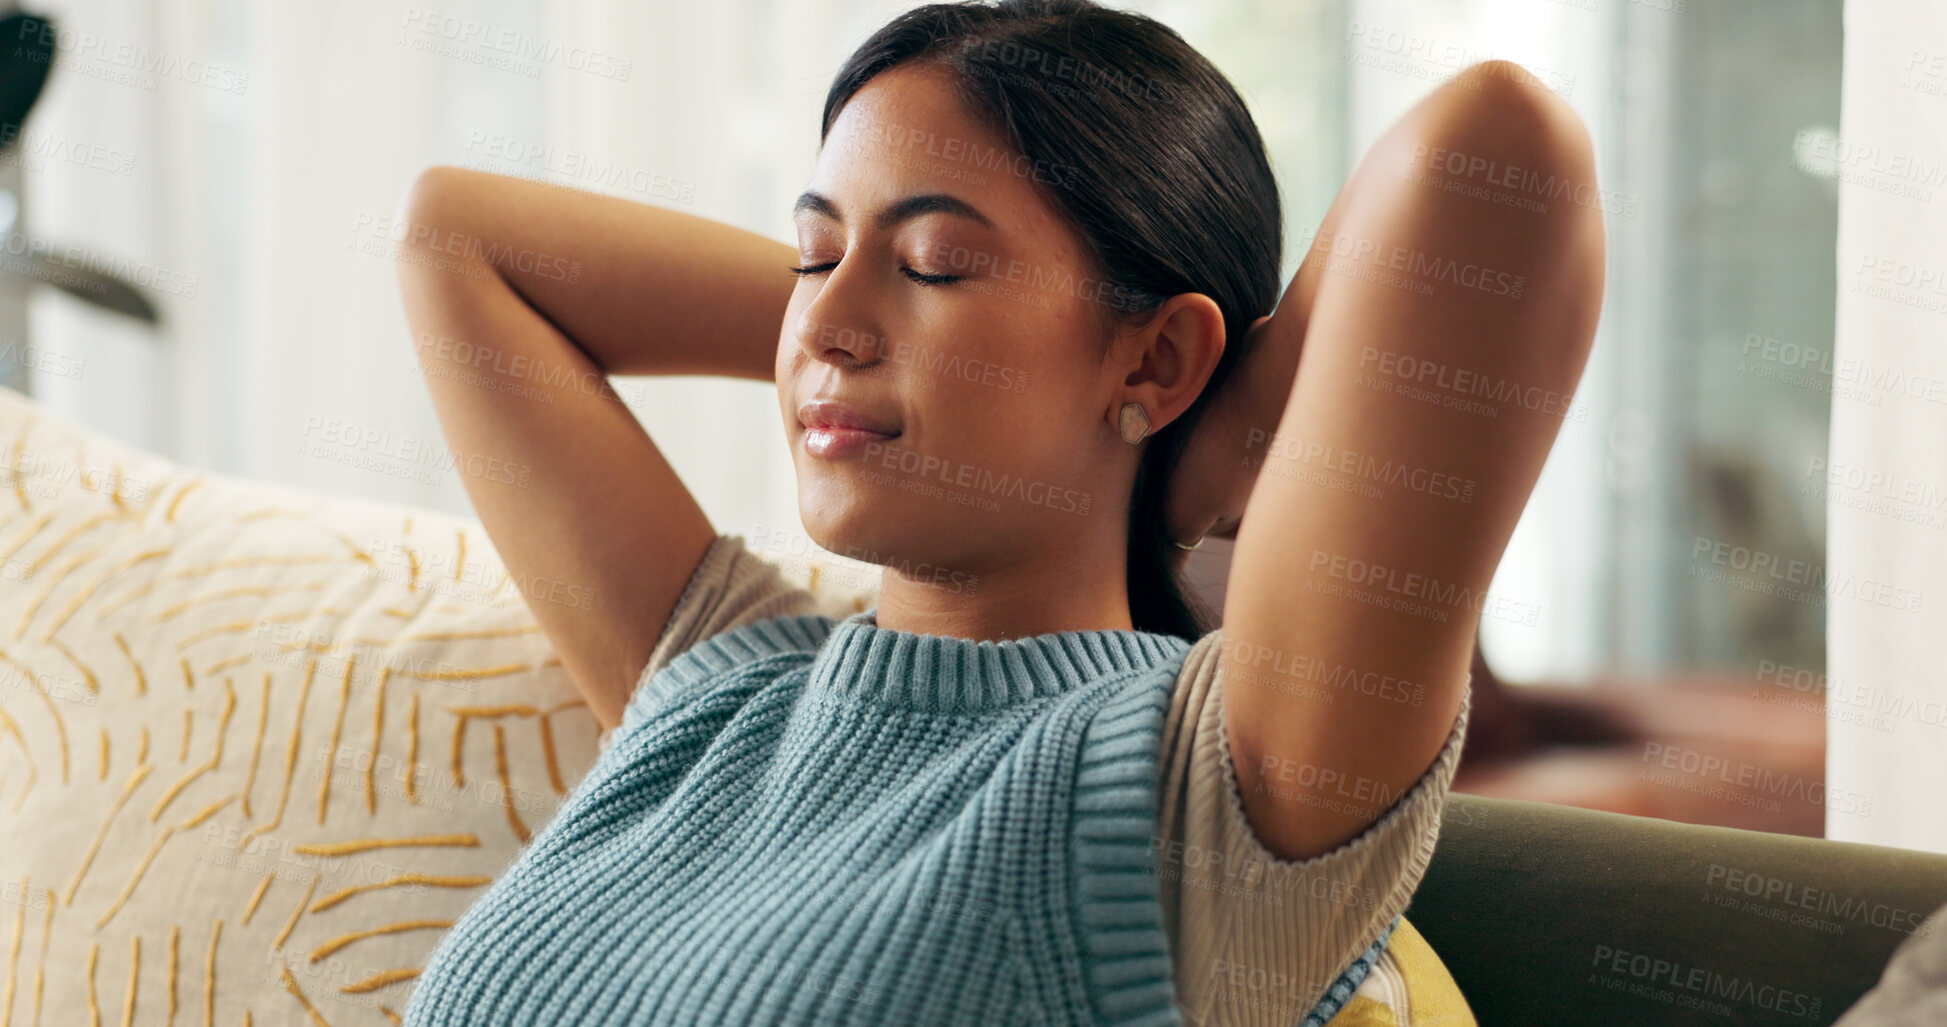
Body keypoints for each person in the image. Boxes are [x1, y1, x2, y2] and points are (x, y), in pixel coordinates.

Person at [391, 1, 1604, 1023]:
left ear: (1159, 361)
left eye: (935, 265)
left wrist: (1203, 442)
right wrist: (906, 334)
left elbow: (1495, 149)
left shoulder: (1213, 792)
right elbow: (456, 239)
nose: (822, 321)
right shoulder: (719, 684)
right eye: (814, 255)